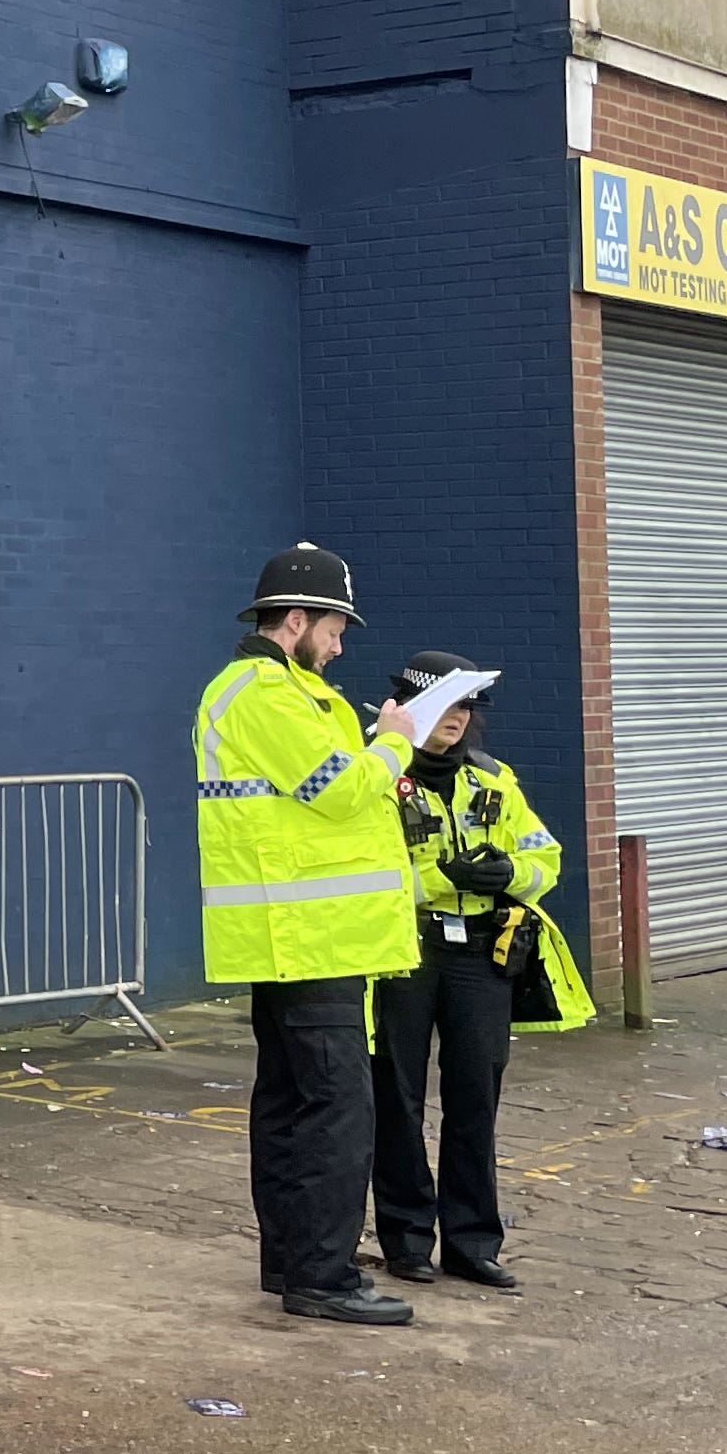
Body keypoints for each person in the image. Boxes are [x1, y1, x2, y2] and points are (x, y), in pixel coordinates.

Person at [196, 543, 425, 1324]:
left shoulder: (280, 692)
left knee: (293, 1104)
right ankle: (322, 1277)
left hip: (299, 933)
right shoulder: (265, 693)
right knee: (334, 1109)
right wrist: (397, 736)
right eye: (334, 627)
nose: (340, 643)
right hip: (308, 937)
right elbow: (340, 791)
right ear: (295, 620)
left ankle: (293, 1261)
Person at [372, 652, 589, 1291]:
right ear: (413, 709)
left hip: (482, 953)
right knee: (398, 1096)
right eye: (447, 705)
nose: (459, 718)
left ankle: (472, 1243)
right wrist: (442, 879)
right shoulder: (379, 775)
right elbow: (367, 877)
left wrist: (509, 876)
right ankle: (407, 1240)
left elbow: (544, 856)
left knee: (476, 1099)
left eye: (468, 707)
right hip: (406, 949)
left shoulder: (495, 779)